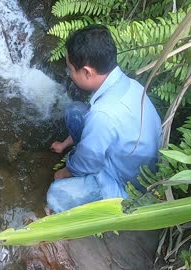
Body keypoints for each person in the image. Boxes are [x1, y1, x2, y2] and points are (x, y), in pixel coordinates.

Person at [47, 25, 162, 213]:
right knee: (75, 111)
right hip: (134, 163)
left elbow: (87, 162)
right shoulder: (130, 85)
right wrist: (64, 144)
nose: (69, 75)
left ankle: (111, 207)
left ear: (87, 72)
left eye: (70, 70)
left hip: (127, 185)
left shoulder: (103, 114)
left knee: (56, 194)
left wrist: (64, 172)